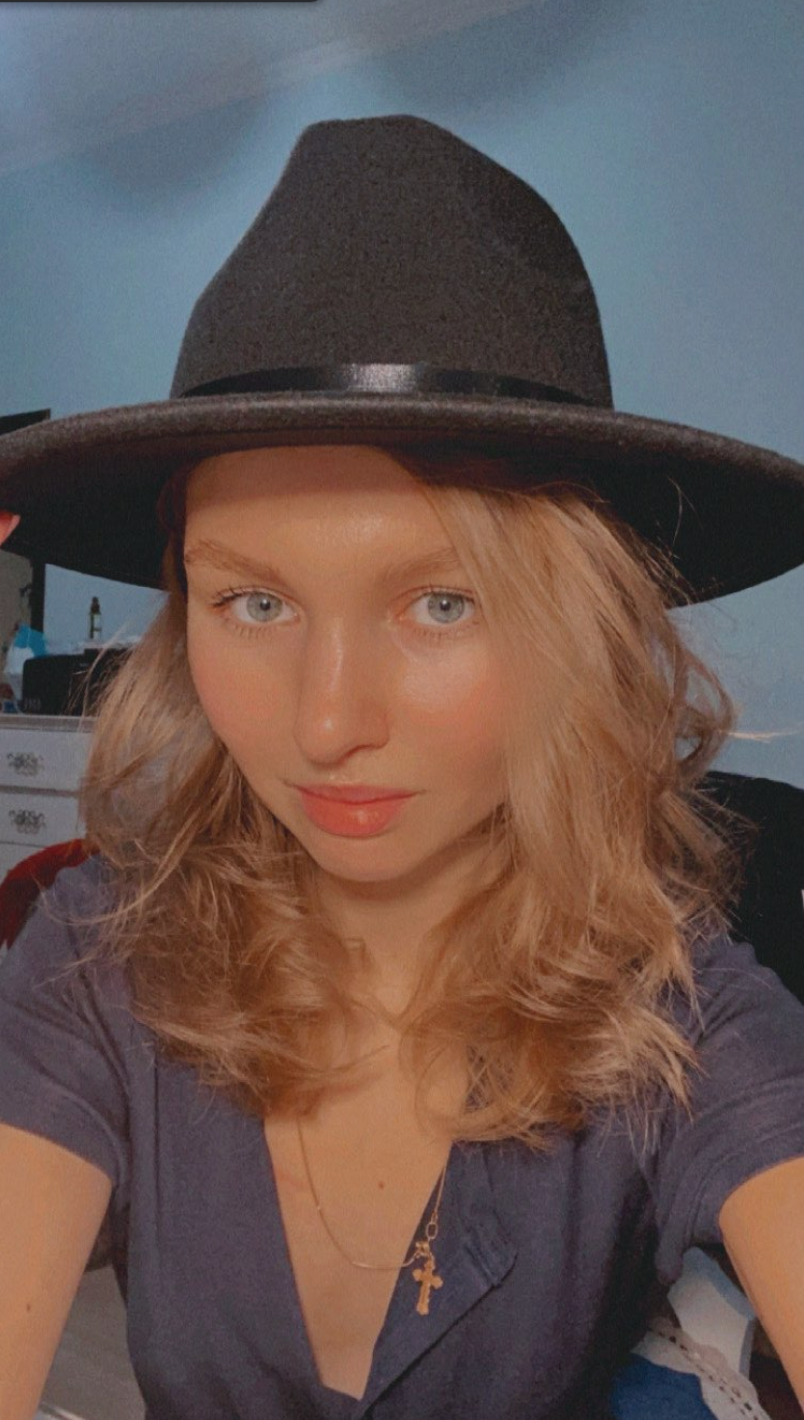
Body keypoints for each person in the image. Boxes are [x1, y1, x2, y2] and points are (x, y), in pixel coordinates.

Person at [0, 114, 803, 1420]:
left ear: (578, 633)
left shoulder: (679, 1008)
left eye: (442, 602)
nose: (326, 726)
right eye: (255, 603)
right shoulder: (98, 962)